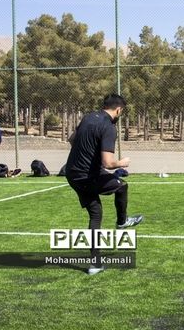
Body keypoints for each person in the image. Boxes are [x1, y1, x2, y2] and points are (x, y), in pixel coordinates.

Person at [65, 93, 143, 275]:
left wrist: (85, 157)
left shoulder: (88, 117)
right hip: (88, 176)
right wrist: (122, 163)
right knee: (121, 186)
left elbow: (71, 140)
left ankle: (95, 264)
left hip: (72, 174)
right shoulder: (108, 127)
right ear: (119, 109)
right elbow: (108, 163)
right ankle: (122, 222)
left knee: (95, 214)